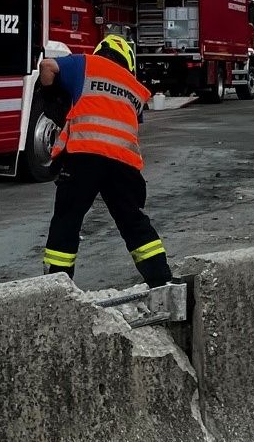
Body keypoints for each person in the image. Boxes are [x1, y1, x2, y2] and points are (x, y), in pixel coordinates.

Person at [37, 34, 172, 288]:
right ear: (128, 63)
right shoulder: (135, 88)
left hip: (85, 154)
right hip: (124, 163)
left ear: (101, 52)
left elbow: (47, 67)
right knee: (133, 221)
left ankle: (57, 287)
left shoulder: (86, 63)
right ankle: (162, 280)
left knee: (68, 219)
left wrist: (52, 95)